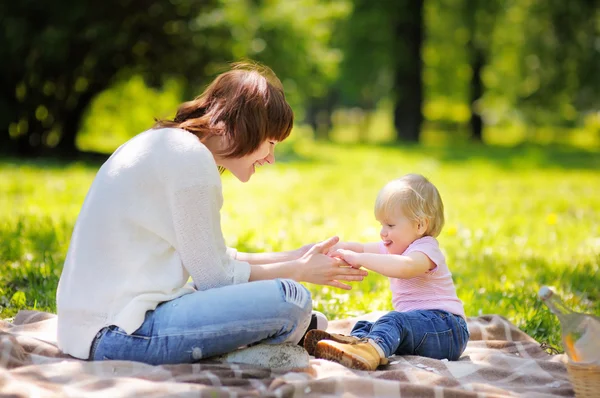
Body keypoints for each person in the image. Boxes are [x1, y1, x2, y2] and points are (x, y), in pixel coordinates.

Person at [56, 62, 368, 365]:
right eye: (270, 142)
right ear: (244, 126)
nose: (271, 158)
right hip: (120, 333)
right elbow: (216, 279)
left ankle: (254, 345)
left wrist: (295, 257)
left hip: (91, 329)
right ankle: (240, 356)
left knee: (300, 310)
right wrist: (297, 271)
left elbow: (211, 259)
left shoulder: (168, 144)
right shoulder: (190, 159)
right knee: (292, 299)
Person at [304, 174, 469, 370]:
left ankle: (368, 352)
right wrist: (337, 248)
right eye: (381, 224)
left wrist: (360, 260)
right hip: (420, 329)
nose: (383, 232)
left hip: (448, 330)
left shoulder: (426, 249)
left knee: (393, 321)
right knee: (368, 323)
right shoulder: (395, 248)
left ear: (420, 225)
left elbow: (404, 267)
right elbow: (362, 248)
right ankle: (352, 345)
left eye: (390, 225)